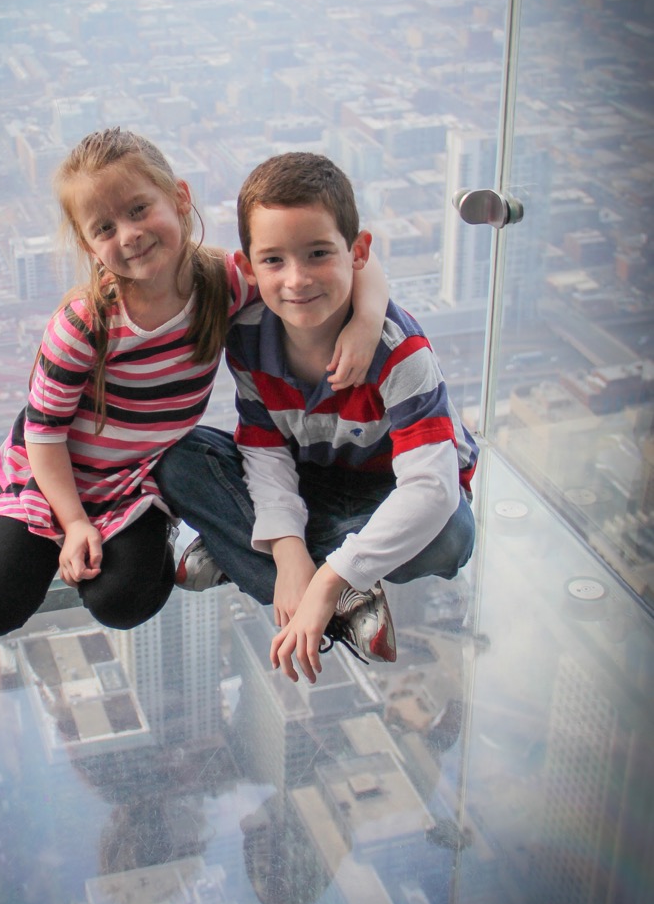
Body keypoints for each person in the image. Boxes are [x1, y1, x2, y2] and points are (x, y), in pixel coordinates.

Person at [0, 131, 389, 639]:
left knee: (124, 603)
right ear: (87, 244)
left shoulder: (223, 283)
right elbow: (44, 434)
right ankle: (36, 543)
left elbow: (352, 254)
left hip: (133, 479)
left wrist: (366, 322)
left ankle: (313, 583)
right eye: (105, 227)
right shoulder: (83, 325)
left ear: (180, 197)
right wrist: (72, 524)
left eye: (140, 209)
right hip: (53, 469)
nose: (130, 234)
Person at [155, 151, 478, 682]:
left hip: (386, 491)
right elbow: (264, 449)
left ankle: (271, 563)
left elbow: (433, 490)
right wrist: (287, 551)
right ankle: (340, 584)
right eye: (274, 260)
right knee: (178, 458)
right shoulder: (250, 334)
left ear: (358, 253)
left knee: (449, 538)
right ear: (249, 266)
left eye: (318, 254)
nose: (298, 279)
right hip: (308, 485)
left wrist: (326, 575)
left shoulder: (399, 352)